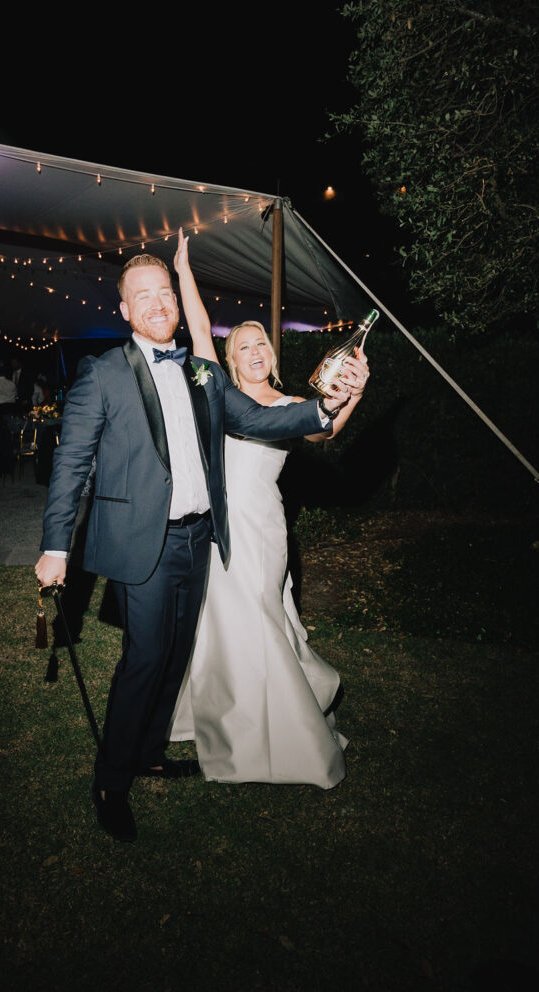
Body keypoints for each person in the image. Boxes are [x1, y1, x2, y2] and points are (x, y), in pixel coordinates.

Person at [34, 238, 363, 844]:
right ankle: (111, 779)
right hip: (144, 545)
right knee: (145, 658)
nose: (158, 304)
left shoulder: (202, 371)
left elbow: (260, 419)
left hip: (200, 540)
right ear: (126, 311)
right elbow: (72, 463)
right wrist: (56, 547)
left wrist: (327, 408)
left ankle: (152, 750)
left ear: (177, 308)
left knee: (177, 654)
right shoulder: (102, 374)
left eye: (166, 293)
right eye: (144, 297)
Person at [169, 230, 369, 787]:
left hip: (261, 530)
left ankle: (287, 732)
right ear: (231, 361)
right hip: (218, 528)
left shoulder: (289, 404)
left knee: (259, 616)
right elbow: (201, 331)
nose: (255, 353)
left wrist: (350, 392)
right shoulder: (221, 395)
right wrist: (185, 272)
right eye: (245, 348)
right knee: (221, 623)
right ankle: (216, 716)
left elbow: (324, 430)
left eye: (262, 346)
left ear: (272, 355)